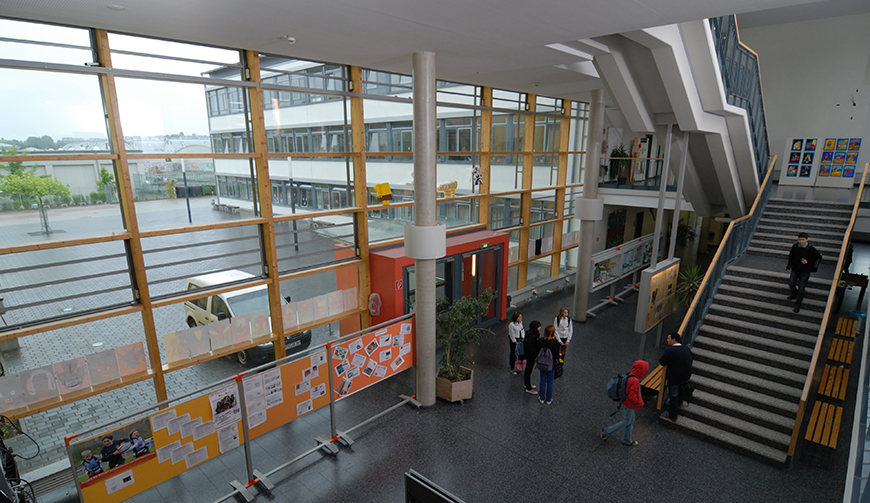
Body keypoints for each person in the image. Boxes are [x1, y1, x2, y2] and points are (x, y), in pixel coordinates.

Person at [600, 360, 649, 446]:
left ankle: (627, 439)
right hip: (630, 404)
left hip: (626, 401)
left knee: (630, 420)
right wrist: (639, 402)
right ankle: (606, 431)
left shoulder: (631, 374)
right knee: (626, 421)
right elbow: (632, 396)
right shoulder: (635, 381)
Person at [659, 332, 693, 421]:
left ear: (674, 339)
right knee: (680, 390)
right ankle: (680, 402)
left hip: (674, 377)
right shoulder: (686, 348)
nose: (667, 340)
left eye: (668, 338)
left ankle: (673, 415)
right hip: (685, 375)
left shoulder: (669, 351)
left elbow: (662, 362)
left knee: (673, 395)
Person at [787, 232, 822, 313]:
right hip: (795, 269)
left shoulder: (810, 248)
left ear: (807, 240)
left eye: (803, 240)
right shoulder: (795, 246)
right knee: (791, 283)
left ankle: (798, 303)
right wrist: (789, 266)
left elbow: (818, 257)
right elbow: (791, 256)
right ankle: (794, 294)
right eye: (799, 239)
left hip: (805, 271)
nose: (801, 241)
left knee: (801, 286)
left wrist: (808, 261)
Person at [537, 325, 561, 405]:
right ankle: (548, 399)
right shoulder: (555, 343)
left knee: (542, 381)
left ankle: (541, 398)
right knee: (550, 382)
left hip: (542, 364)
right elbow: (556, 355)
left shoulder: (541, 341)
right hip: (551, 365)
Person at [523, 321, 541, 394]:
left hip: (528, 355)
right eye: (539, 326)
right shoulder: (533, 337)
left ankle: (527, 383)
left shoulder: (529, 333)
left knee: (528, 370)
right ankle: (528, 387)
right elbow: (532, 347)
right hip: (531, 356)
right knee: (528, 370)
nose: (540, 328)